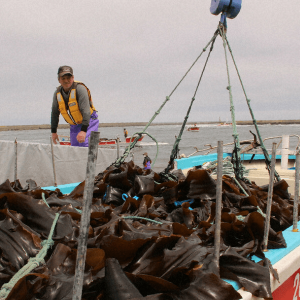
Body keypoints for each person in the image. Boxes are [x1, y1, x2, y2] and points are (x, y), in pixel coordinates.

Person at [51, 66, 99, 147]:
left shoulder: (80, 89)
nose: (66, 80)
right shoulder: (57, 93)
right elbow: (55, 113)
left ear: (73, 78)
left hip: (89, 121)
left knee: (86, 145)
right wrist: (54, 132)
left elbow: (86, 111)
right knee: (75, 148)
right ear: (59, 80)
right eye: (63, 78)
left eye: (68, 78)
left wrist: (83, 131)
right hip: (74, 125)